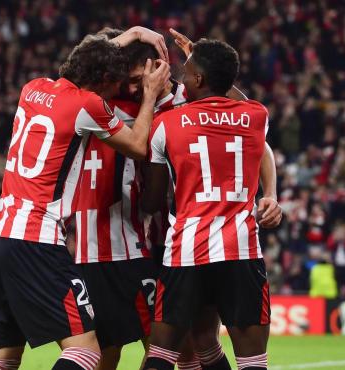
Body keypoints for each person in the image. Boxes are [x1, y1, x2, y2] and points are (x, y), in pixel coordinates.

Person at [0, 28, 170, 370]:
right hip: (35, 238)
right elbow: (140, 145)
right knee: (84, 351)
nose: (119, 91)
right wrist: (152, 94)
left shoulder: (32, 89)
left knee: (3, 355)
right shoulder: (88, 104)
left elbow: (83, 59)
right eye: (116, 82)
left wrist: (133, 35)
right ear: (104, 79)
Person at [141, 39, 272, 370]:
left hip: (187, 251)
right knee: (251, 361)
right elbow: (238, 99)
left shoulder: (166, 124)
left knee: (160, 355)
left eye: (187, 73)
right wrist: (209, 67)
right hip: (240, 250)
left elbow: (154, 202)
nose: (182, 80)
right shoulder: (256, 116)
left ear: (199, 80)